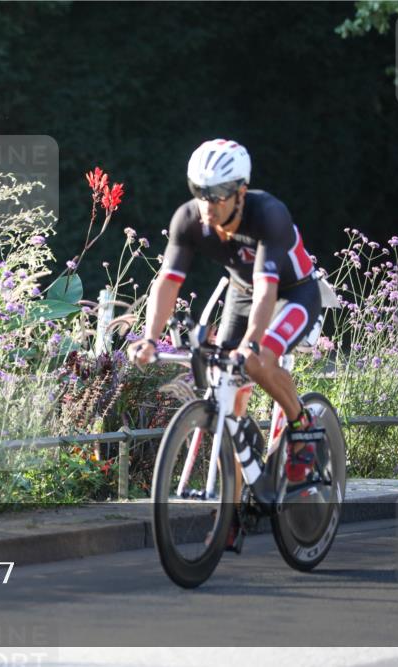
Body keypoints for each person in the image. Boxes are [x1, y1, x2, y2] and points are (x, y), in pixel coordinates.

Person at [129, 139, 324, 550]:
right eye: (199, 192)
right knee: (228, 400)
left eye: (217, 195)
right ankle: (231, 510)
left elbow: (267, 292)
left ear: (240, 192)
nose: (207, 204)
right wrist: (149, 338)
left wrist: (249, 345)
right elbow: (167, 282)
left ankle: (302, 425)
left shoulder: (267, 213)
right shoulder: (188, 219)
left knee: (258, 359)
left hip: (293, 292)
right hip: (242, 290)